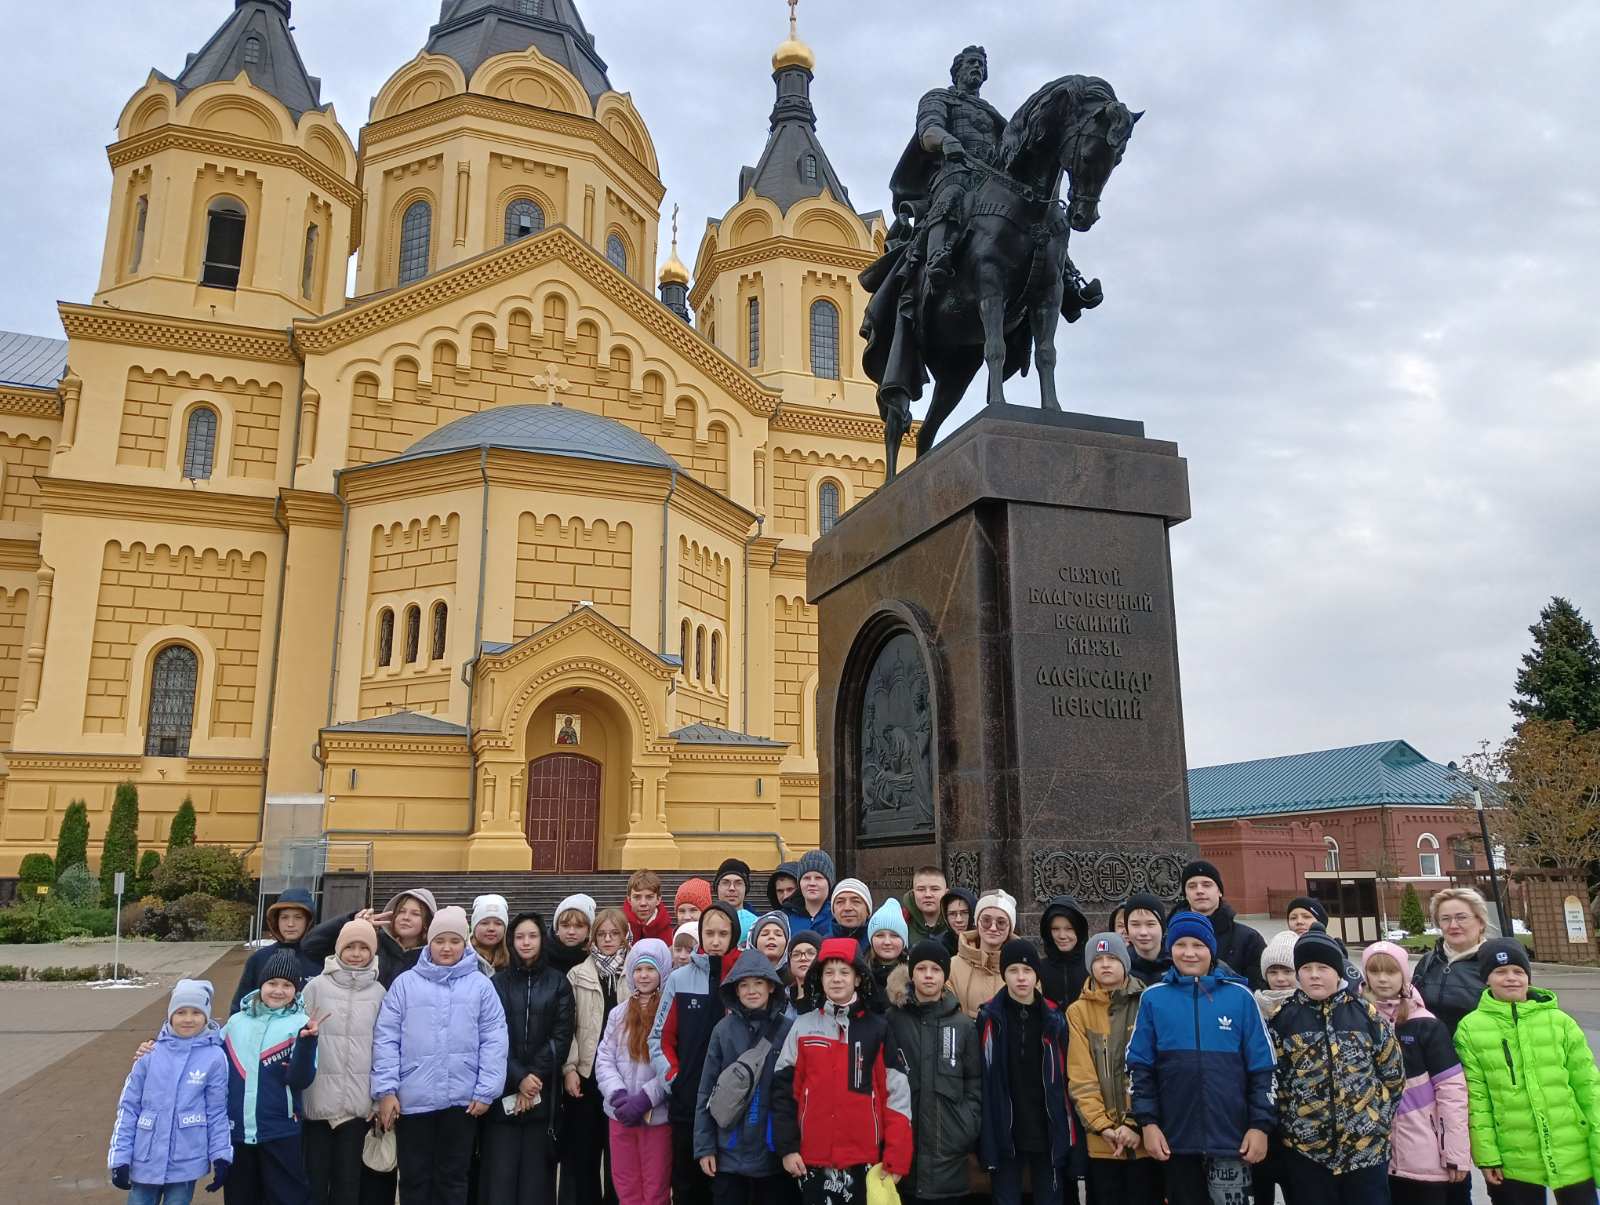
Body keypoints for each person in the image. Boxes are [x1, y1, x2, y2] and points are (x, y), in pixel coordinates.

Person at [1126, 911, 1275, 1205]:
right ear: (1171, 949)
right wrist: (1148, 1123)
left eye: (1199, 945)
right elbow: (1139, 1067)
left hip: (1232, 1140)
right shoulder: (1155, 998)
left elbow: (1263, 1069)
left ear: (1211, 949)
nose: (1190, 953)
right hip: (1176, 1140)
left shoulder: (1240, 997)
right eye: (1181, 945)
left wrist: (1260, 1126)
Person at [372, 906, 509, 1205]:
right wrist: (386, 1090)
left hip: (462, 1101)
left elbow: (494, 1039)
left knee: (453, 1178)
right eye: (439, 941)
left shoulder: (481, 986)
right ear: (429, 943)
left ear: (465, 944)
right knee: (413, 1178)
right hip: (412, 1100)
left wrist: (487, 1090)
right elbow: (386, 1039)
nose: (447, 948)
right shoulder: (405, 984)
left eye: (455, 941)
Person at [1455, 938, 1600, 1205]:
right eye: (1500, 971)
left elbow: (1589, 1087)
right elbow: (1477, 1099)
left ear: (1528, 977)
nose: (1510, 978)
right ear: (1486, 978)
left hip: (1571, 1149)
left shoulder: (1561, 1023)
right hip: (1514, 1154)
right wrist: (1487, 1155)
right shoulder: (1470, 1029)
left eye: (1518, 971)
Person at [771, 937, 913, 1205]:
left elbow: (897, 1097)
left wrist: (896, 1156)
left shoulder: (878, 1029)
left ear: (858, 978)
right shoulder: (802, 1027)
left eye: (844, 972)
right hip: (812, 1159)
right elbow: (783, 1093)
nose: (836, 979)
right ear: (820, 978)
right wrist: (787, 1148)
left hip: (865, 1160)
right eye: (829, 972)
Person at [1268, 928, 1404, 1205]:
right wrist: (1291, 1126)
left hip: (1365, 1151)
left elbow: (1393, 1074)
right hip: (1308, 1153)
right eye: (1306, 968)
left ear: (1338, 973)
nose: (1315, 974)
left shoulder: (1366, 1015)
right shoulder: (1284, 1019)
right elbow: (1277, 1081)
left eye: (1323, 967)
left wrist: (1377, 1119)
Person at [1359, 941, 1470, 1205]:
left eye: (1391, 971)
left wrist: (1455, 1153)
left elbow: (1452, 1091)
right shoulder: (1358, 1020)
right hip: (1375, 1159)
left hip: (1423, 1155)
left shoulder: (1425, 1025)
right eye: (1375, 972)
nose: (1383, 979)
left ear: (1404, 975)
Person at [481, 910, 576, 1205]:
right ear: (511, 941)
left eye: (532, 936)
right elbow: (491, 1036)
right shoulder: (497, 983)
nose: (526, 942)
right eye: (520, 936)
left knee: (536, 1184)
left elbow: (561, 1037)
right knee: (500, 1180)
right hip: (503, 1094)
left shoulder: (558, 983)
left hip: (542, 1095)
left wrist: (533, 1078)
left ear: (542, 940)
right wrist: (518, 1076)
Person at [651, 901, 742, 1205]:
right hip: (688, 1103)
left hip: (735, 1105)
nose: (715, 940)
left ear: (734, 935)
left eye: (723, 933)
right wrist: (675, 1080)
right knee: (687, 1186)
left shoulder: (745, 980)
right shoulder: (680, 979)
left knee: (727, 1187)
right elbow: (660, 1038)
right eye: (709, 933)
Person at [109, 979, 232, 1203]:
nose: (187, 1019)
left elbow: (217, 1112)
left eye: (196, 1012)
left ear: (206, 1016)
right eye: (181, 1012)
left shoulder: (214, 1057)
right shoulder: (150, 1054)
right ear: (170, 1015)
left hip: (185, 1160)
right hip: (144, 1157)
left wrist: (221, 1155)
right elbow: (128, 1108)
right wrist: (120, 1158)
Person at [978, 939, 1078, 1205]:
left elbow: (1067, 1077)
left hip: (1047, 1129)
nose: (1021, 978)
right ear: (1003, 974)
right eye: (1013, 971)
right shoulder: (989, 1017)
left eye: (1027, 971)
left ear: (1036, 974)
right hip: (1006, 1131)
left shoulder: (1055, 1018)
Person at [694, 948, 796, 1203]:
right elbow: (706, 1090)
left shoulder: (787, 1029)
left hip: (772, 1151)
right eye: (744, 984)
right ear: (735, 990)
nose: (752, 990)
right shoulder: (723, 1030)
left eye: (759, 983)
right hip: (729, 1150)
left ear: (771, 986)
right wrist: (705, 1147)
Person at [1066, 934, 1161, 1205]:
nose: (1105, 965)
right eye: (1098, 960)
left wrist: (1135, 1123)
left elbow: (1153, 1069)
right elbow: (1081, 1075)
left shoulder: (1147, 1002)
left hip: (1143, 1140)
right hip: (1103, 1143)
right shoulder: (1078, 1012)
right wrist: (1102, 1125)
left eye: (1112, 958)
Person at [887, 938, 982, 1205]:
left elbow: (974, 1082)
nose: (928, 975)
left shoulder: (963, 1025)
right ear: (912, 973)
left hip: (949, 1159)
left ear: (945, 975)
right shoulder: (893, 1020)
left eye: (936, 969)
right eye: (921, 968)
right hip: (905, 1158)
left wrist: (966, 1125)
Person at [221, 950, 320, 1204]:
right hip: (238, 1131)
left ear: (296, 990)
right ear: (261, 985)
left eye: (287, 985)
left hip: (281, 1129)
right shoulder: (235, 1022)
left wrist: (307, 1044)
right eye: (272, 983)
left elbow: (301, 1080)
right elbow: (208, 1056)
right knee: (240, 1196)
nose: (278, 990)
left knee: (286, 1196)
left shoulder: (302, 1024)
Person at [300, 918, 388, 1205]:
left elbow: (384, 1047)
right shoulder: (316, 988)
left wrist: (377, 1100)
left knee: (348, 1183)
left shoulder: (379, 993)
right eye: (350, 946)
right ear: (338, 949)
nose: (356, 953)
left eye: (364, 947)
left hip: (356, 1106)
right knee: (314, 1181)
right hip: (317, 1103)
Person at [596, 939, 672, 1205]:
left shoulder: (670, 1012)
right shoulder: (618, 1014)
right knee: (625, 1183)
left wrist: (646, 1098)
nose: (643, 975)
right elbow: (604, 1058)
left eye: (650, 969)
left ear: (662, 972)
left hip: (655, 1116)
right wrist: (617, 1095)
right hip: (621, 1114)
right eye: (638, 969)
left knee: (655, 1184)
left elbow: (673, 1064)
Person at [564, 905, 631, 1205]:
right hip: (587, 1074)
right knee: (586, 1153)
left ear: (624, 936)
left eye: (614, 933)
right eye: (601, 934)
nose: (607, 939)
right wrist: (570, 1068)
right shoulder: (577, 974)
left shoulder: (635, 971)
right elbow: (570, 1026)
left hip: (624, 1076)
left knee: (618, 1153)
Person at [302, 887, 437, 989]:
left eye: (415, 914)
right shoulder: (373, 944)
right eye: (401, 911)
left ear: (427, 922)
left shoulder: (431, 958)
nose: (406, 917)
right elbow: (311, 946)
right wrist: (351, 921)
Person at [1414, 887, 1493, 1034]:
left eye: (1461, 917)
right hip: (1432, 1053)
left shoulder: (1493, 963)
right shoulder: (1428, 962)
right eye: (1445, 919)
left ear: (1481, 922)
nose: (1453, 925)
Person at [230, 887, 321, 1014]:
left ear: (309, 921)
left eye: (298, 917)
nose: (290, 924)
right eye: (284, 917)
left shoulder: (320, 959)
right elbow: (239, 1006)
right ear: (276, 921)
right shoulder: (259, 959)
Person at [1180, 860, 1267, 990]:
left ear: (1219, 891)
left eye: (1207, 885)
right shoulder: (1172, 936)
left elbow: (1257, 989)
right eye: (1192, 886)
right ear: (1186, 894)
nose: (1199, 891)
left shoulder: (1249, 939)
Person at [949, 888, 1014, 1019]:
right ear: (977, 923)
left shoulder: (1023, 967)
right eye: (986, 921)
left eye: (1001, 923)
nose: (993, 928)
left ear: (1010, 928)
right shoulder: (952, 966)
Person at [1039, 895, 1090, 1008]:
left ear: (1080, 930)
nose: (1062, 936)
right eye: (1055, 929)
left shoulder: (1092, 966)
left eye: (1069, 928)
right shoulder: (1039, 968)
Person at [783, 850, 836, 937]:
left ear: (829, 882)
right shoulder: (786, 918)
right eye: (806, 878)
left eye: (818, 878)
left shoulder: (838, 917)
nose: (812, 883)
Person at [1122, 893, 1169, 986]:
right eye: (1135, 925)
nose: (1143, 932)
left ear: (1162, 927)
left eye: (1150, 924)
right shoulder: (1122, 966)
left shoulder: (1177, 963)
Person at [866, 898, 909, 994]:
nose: (887, 942)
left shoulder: (914, 974)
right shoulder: (860, 972)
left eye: (894, 935)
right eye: (880, 935)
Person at [550, 894, 598, 977]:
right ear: (557, 928)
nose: (571, 932)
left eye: (579, 926)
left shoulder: (599, 960)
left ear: (589, 930)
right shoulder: (540, 957)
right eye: (565, 925)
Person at [714, 859, 760, 945]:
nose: (732, 888)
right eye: (725, 883)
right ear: (717, 888)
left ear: (746, 888)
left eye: (738, 883)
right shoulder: (705, 921)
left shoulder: (758, 925)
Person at [901, 866, 949, 945]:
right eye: (921, 889)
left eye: (935, 889)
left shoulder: (956, 921)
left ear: (946, 892)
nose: (928, 895)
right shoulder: (902, 921)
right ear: (913, 893)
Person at [624, 870, 674, 945]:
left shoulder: (670, 935)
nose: (643, 903)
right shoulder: (619, 930)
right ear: (629, 900)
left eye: (649, 897)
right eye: (637, 897)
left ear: (658, 899)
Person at [829, 879, 874, 950]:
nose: (847, 908)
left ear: (868, 910)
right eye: (840, 902)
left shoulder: (878, 946)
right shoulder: (822, 946)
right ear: (833, 911)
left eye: (855, 901)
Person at [470, 894, 510, 974]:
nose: (491, 928)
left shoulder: (513, 957)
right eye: (484, 923)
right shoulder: (461, 957)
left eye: (498, 923)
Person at [786, 931, 821, 1014]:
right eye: (796, 954)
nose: (803, 958)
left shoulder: (829, 1001)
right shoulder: (783, 1001)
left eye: (811, 953)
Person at [750, 910, 791, 974]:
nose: (771, 937)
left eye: (778, 934)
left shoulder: (795, 977)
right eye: (765, 934)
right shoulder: (742, 975)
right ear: (754, 943)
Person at [939, 887, 976, 956]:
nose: (959, 920)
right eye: (952, 914)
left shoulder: (983, 942)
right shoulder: (939, 946)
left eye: (964, 913)